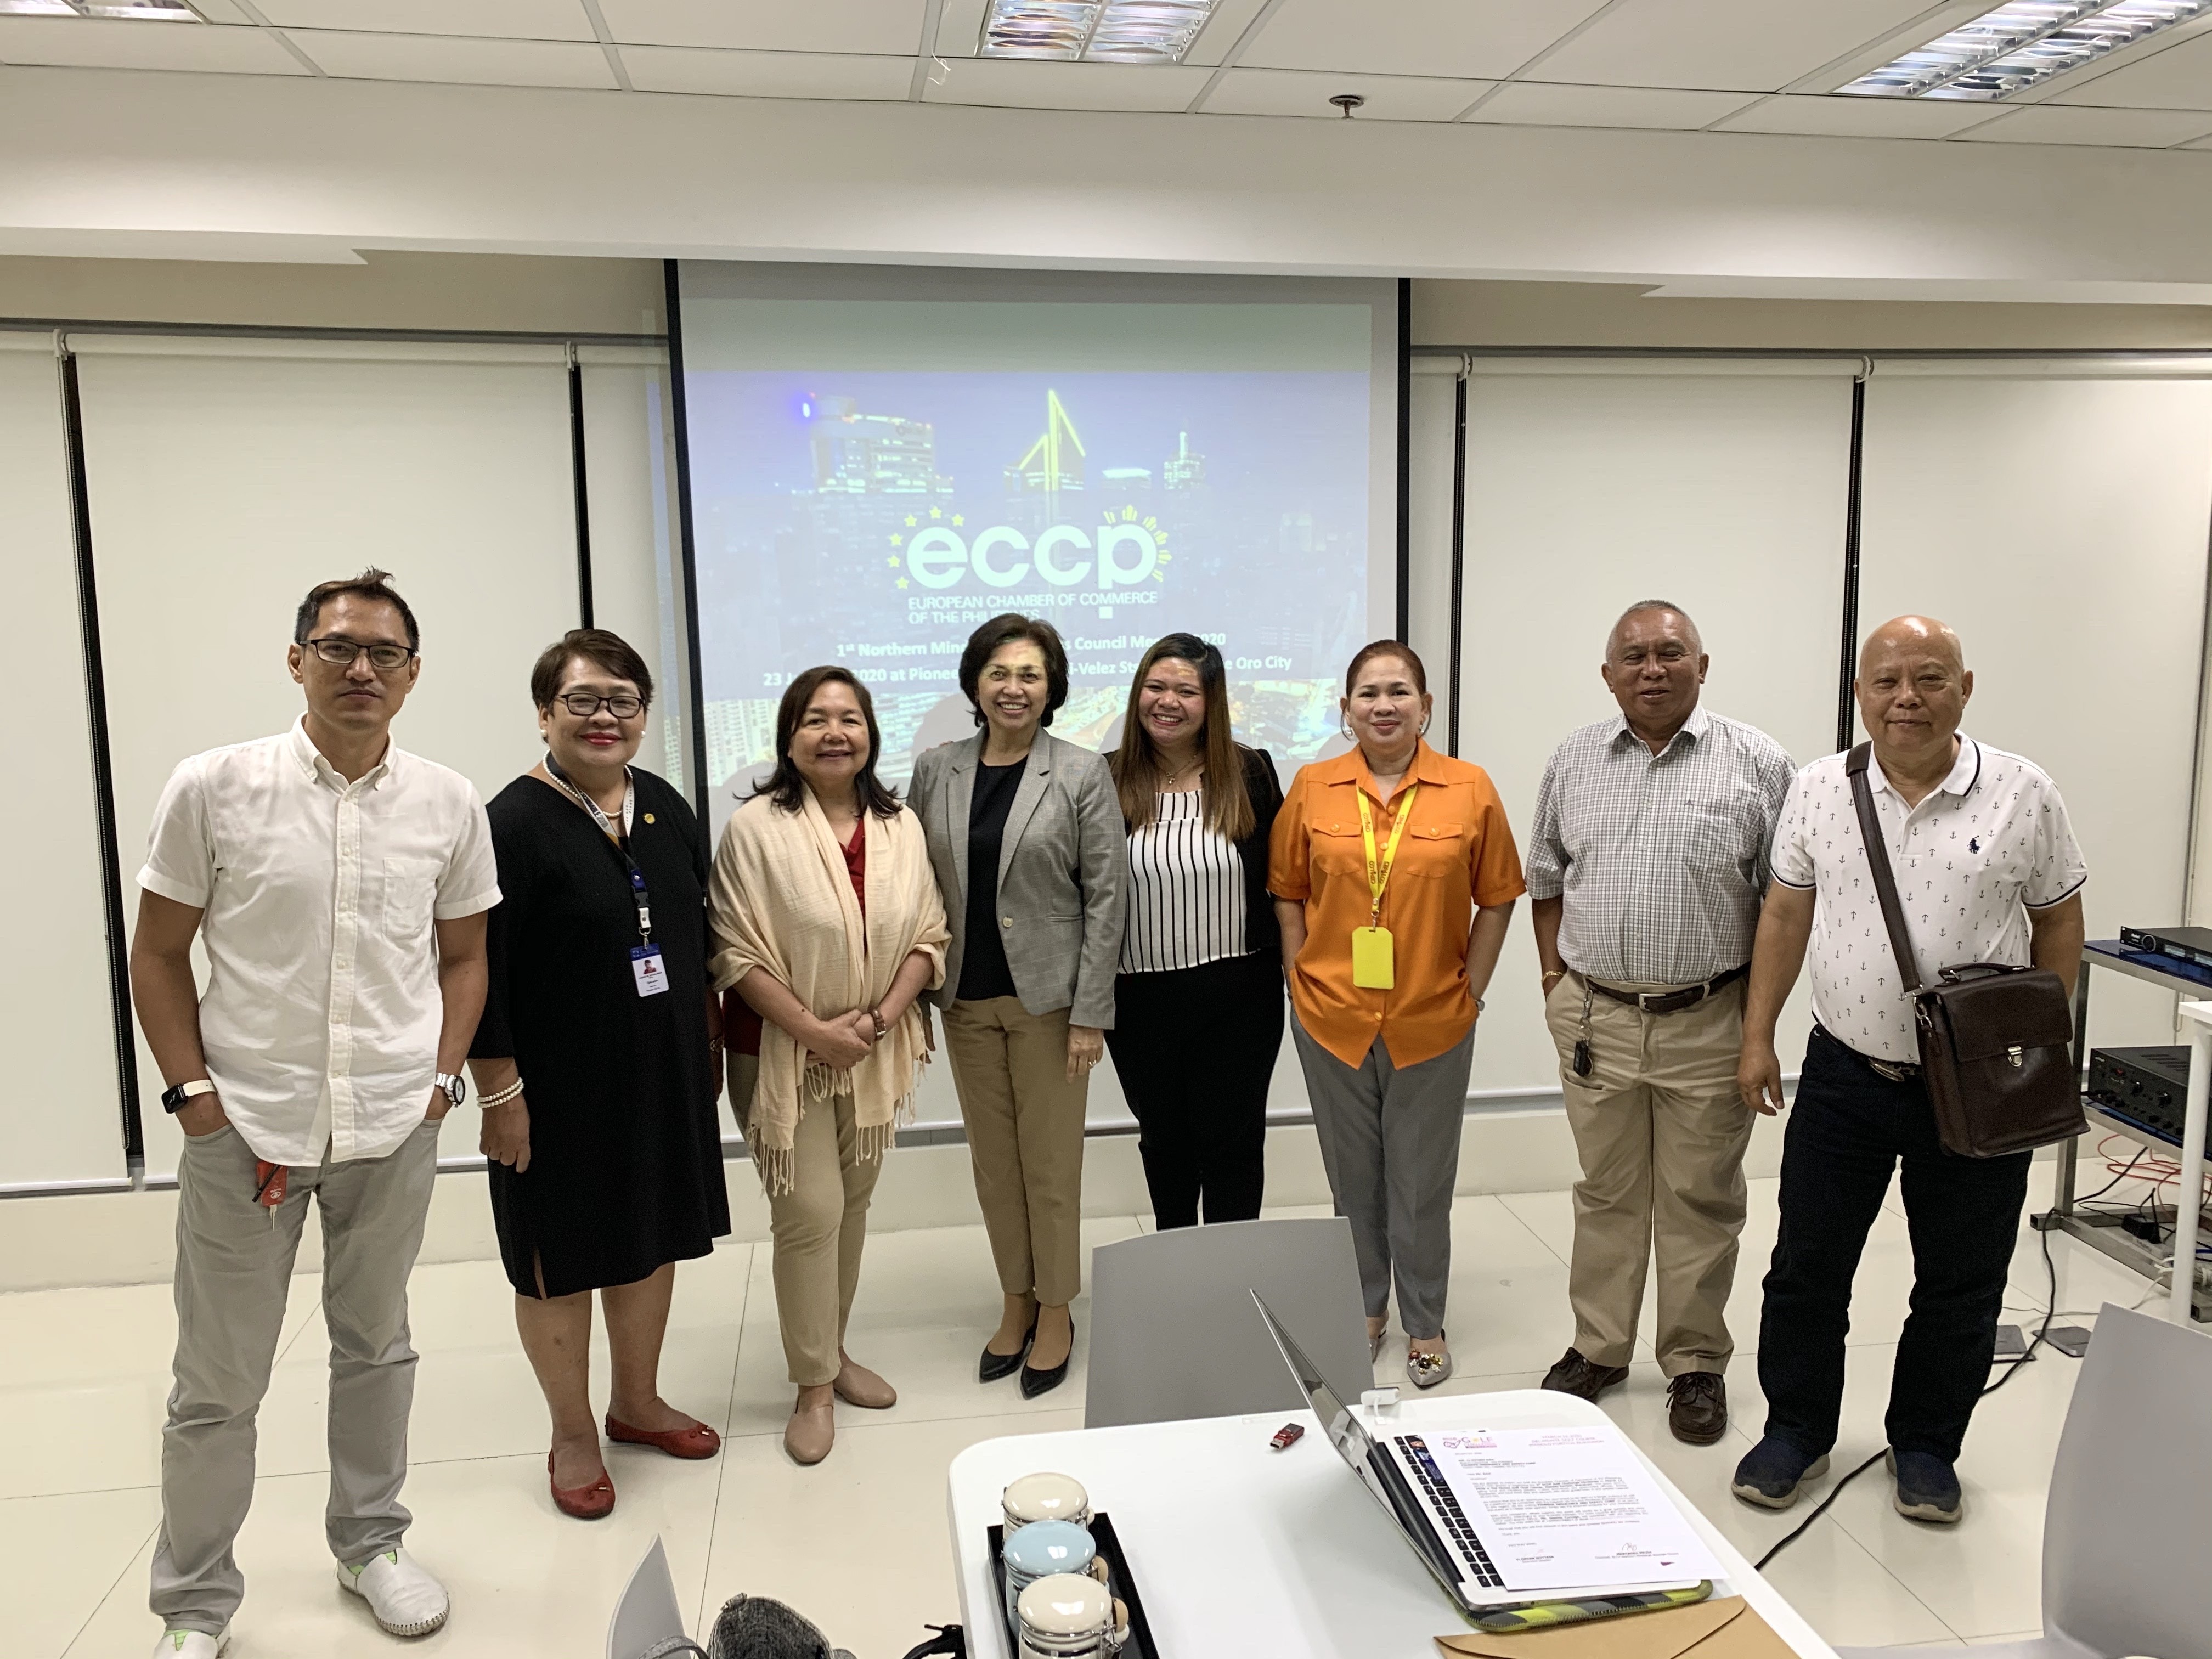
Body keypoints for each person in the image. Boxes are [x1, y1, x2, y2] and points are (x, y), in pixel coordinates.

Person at [131, 570, 498, 1656]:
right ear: (297, 660)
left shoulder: (449, 802)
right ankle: (195, 1601)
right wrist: (197, 1099)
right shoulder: (215, 787)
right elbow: (158, 952)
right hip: (245, 1126)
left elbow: (466, 957)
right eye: (338, 647)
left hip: (392, 1124)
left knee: (377, 1346)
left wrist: (439, 1082)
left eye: (385, 653)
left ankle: (370, 1544)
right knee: (217, 1382)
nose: (361, 669)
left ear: (414, 675)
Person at [1734, 616, 2086, 1526]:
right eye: (1886, 680)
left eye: (1929, 678)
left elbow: (2058, 919)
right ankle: (1796, 1429)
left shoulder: (2023, 792)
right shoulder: (1819, 789)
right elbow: (1784, 916)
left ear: (1964, 688)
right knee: (1806, 1267)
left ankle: (1927, 1445)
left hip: (1974, 1085)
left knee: (1962, 1278)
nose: (1906, 698)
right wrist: (1756, 1035)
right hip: (1844, 1074)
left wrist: (2033, 1045)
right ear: (1860, 693)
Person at [466, 629, 731, 1521]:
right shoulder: (510, 824)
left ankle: (638, 1402)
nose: (603, 717)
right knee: (557, 1261)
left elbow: (691, 934)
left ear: (644, 715)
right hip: (553, 1093)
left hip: (659, 1073)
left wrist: (707, 1045)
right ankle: (574, 1430)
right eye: (582, 700)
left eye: (623, 700)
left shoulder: (663, 806)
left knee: (651, 1233)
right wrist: (501, 1093)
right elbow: (475, 969)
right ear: (546, 713)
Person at [1526, 601, 1794, 1445]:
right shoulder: (1573, 759)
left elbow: (1785, 908)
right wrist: (1554, 985)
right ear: (1609, 675)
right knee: (1606, 1191)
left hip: (1709, 1019)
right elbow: (1546, 881)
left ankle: (1695, 1362)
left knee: (1700, 1198)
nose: (1652, 669)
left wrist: (1759, 1032)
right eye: (1634, 656)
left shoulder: (1758, 763)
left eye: (1671, 653)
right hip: (1595, 1019)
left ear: (1702, 667)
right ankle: (1600, 1348)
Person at [710, 667, 948, 1464]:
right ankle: (813, 1385)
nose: (835, 733)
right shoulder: (755, 828)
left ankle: (833, 1350)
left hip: (875, 1048)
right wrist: (816, 1030)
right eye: (816, 719)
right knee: (810, 1211)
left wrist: (874, 1023)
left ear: (871, 734)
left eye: (850, 718)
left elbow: (929, 934)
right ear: (789, 737)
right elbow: (734, 949)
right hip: (783, 1051)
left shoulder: (901, 826)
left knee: (851, 1205)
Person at [1271, 641, 1523, 1390]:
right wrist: (1298, 977)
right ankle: (1363, 1309)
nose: (1384, 706)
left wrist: (1472, 991)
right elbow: (1288, 892)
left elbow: (1498, 897)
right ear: (1346, 709)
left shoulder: (1469, 788)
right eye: (1369, 694)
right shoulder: (1313, 787)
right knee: (1353, 1178)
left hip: (1432, 1019)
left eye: (1399, 692)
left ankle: (1425, 1320)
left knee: (1420, 1181)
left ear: (1426, 707)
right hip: (1332, 1018)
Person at [910, 613, 1126, 1399]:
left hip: (1050, 1007)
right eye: (999, 672)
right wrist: (914, 997)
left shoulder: (1079, 772)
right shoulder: (936, 770)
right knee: (996, 1168)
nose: (1014, 688)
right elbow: (916, 883)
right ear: (975, 682)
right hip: (965, 1001)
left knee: (1051, 1168)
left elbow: (1107, 896)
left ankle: (1057, 1308)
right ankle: (1016, 1298)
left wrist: (1091, 1012)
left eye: (1030, 674)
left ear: (1051, 687)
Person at [1104, 633, 1285, 1227]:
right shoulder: (1104, 778)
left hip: (1240, 996)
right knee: (1165, 1145)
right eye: (1155, 687)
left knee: (1234, 1146)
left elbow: (1285, 882)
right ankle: (1176, 1266)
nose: (1168, 701)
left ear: (1212, 702)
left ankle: (1232, 1273)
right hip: (1138, 1000)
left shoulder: (1251, 772)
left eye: (1186, 691)